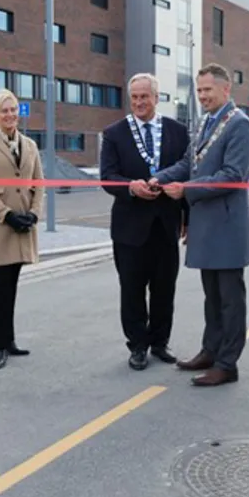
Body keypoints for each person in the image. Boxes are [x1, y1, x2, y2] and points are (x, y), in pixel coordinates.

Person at [151, 63, 249, 387]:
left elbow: (232, 176)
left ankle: (227, 363)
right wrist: (158, 178)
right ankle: (210, 350)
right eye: (199, 90)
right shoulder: (206, 122)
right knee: (212, 296)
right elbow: (189, 164)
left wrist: (186, 190)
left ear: (225, 89)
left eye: (207, 90)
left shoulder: (239, 124)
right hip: (208, 225)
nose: (202, 96)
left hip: (228, 226)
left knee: (231, 299)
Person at [99, 73, 191, 370]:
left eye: (145, 96)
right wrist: (130, 187)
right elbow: (107, 178)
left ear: (157, 97)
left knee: (165, 288)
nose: (139, 102)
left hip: (166, 224)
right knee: (132, 289)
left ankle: (160, 342)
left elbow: (189, 173)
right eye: (135, 97)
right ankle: (137, 345)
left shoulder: (178, 131)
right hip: (129, 228)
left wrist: (187, 217)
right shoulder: (114, 133)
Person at [0, 89, 45, 370]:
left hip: (23, 224)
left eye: (13, 109)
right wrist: (6, 215)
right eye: (4, 110)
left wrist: (34, 214)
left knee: (11, 287)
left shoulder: (29, 145)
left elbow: (39, 182)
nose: (10, 115)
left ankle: (9, 339)